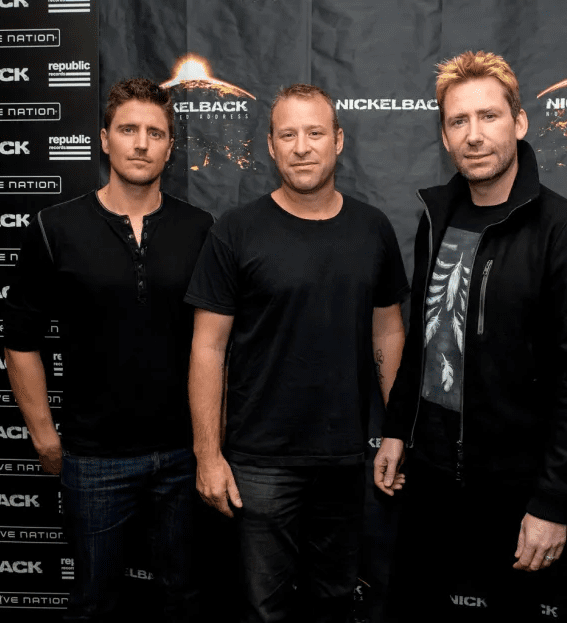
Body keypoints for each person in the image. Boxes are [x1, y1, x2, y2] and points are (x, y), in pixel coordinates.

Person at [374, 50, 567, 621]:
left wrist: (550, 501)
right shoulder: (436, 219)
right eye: (459, 121)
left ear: (519, 122)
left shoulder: (566, 229)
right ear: (444, 136)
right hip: (432, 479)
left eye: (489, 116)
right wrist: (397, 429)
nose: (474, 135)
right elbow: (427, 338)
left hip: (518, 490)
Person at [186, 83, 408, 623]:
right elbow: (208, 348)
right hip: (259, 462)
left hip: (343, 459)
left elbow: (387, 332)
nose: (302, 147)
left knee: (333, 602)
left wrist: (397, 429)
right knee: (264, 610)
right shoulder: (235, 230)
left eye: (314, 133)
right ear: (270, 145)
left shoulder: (372, 227)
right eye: (288, 135)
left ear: (338, 140)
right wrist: (207, 456)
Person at [3, 77, 214, 621]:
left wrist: (210, 446)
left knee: (186, 600)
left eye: (155, 133)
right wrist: (44, 436)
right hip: (93, 458)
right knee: (94, 604)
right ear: (104, 139)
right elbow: (20, 341)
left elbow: (217, 345)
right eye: (128, 130)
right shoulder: (55, 227)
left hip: (182, 456)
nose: (141, 144)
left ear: (170, 146)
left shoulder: (200, 229)